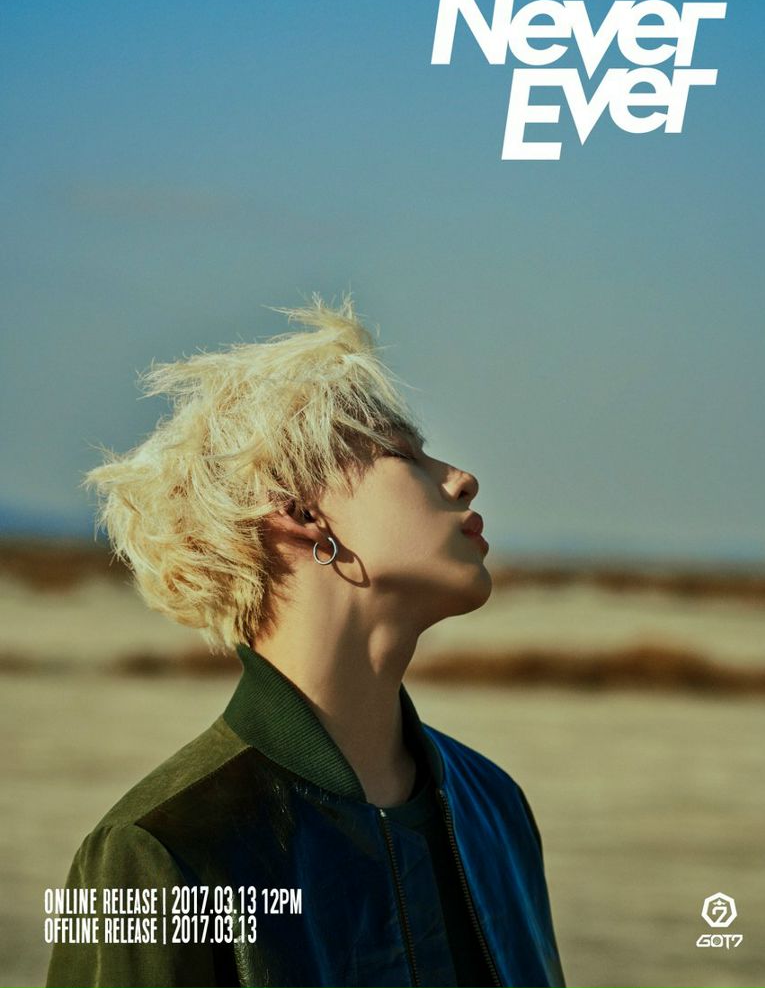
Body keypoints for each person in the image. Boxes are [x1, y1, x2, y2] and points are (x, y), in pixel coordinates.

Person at [46, 295, 566, 988]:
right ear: (297, 510)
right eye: (402, 453)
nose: (462, 479)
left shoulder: (494, 807)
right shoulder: (160, 847)